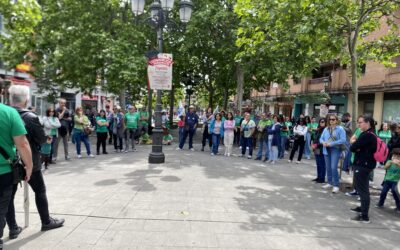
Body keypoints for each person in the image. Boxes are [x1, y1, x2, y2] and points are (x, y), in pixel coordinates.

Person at [6, 85, 63, 241]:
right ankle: (46, 221)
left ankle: (13, 228)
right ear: (26, 99)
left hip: (10, 161)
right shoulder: (30, 117)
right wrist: (46, 139)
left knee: (9, 196)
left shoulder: (5, 114)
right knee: (40, 190)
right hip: (29, 161)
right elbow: (40, 139)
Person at [0, 101, 33, 246]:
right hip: (3, 171)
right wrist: (29, 165)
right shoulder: (9, 112)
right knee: (1, 207)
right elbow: (22, 144)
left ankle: (13, 226)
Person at [349, 115, 377, 223]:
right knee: (362, 189)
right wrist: (357, 146)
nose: (359, 124)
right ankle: (362, 208)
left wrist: (353, 142)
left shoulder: (367, 135)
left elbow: (353, 148)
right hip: (365, 164)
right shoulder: (371, 134)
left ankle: (364, 216)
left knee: (363, 190)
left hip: (362, 165)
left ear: (367, 122)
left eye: (360, 122)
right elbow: (357, 148)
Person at [320, 114, 346, 194]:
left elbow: (343, 140)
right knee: (328, 167)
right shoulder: (326, 129)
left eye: (333, 119)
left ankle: (336, 185)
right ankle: (329, 182)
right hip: (326, 149)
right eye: (330, 119)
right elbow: (321, 138)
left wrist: (331, 144)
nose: (331, 121)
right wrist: (323, 142)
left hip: (335, 149)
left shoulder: (340, 129)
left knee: (333, 167)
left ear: (337, 120)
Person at [375, 148, 400, 213]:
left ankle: (398, 207)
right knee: (383, 192)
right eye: (394, 156)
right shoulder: (389, 161)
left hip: (396, 181)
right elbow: (385, 167)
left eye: (398, 157)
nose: (395, 158)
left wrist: (397, 164)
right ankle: (380, 203)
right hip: (387, 180)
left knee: (395, 193)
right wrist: (391, 163)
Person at [311, 118, 327, 183]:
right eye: (320, 122)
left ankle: (322, 178)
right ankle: (318, 177)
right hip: (316, 148)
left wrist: (317, 145)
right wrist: (313, 145)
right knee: (318, 164)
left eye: (323, 122)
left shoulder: (326, 130)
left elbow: (324, 140)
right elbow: (316, 138)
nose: (321, 123)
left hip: (321, 148)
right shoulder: (318, 129)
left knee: (322, 164)